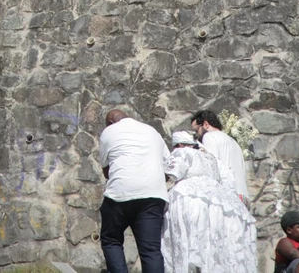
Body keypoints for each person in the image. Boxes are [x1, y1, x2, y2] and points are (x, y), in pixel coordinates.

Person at [162, 130, 257, 273]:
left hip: (189, 199)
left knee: (190, 242)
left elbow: (173, 173)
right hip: (220, 202)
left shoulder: (182, 152)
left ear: (180, 144)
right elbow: (229, 181)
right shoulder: (211, 158)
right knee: (213, 246)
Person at [98, 108, 170, 273]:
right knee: (151, 249)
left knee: (111, 240)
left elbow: (106, 172)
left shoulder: (109, 132)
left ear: (110, 123)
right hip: (153, 195)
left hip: (120, 194)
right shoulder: (152, 131)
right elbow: (168, 166)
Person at [191, 109, 250, 204]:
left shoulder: (209, 136)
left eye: (196, 130)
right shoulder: (234, 142)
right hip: (243, 196)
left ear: (205, 124)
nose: (196, 135)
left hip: (229, 195)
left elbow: (212, 166)